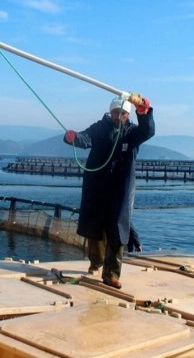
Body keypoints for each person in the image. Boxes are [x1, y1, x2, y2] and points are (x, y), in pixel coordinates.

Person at [63, 94, 154, 289]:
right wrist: (72, 138)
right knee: (95, 226)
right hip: (97, 184)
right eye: (116, 112)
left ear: (127, 115)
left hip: (121, 187)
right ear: (110, 112)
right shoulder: (100, 127)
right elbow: (84, 138)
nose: (118, 116)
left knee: (118, 228)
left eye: (122, 113)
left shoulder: (132, 132)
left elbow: (148, 131)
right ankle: (96, 262)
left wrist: (144, 113)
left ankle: (112, 273)